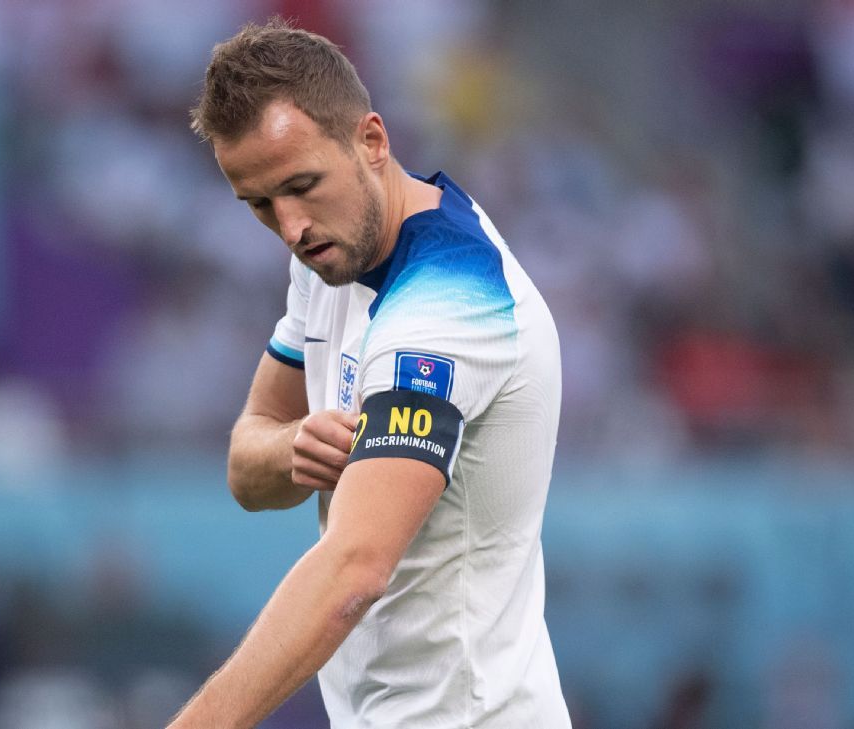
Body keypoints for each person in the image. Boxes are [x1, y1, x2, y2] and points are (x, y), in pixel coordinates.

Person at [170, 18, 570, 728]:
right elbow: (246, 462)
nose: (290, 226)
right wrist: (293, 445)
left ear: (373, 141)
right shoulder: (325, 254)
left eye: (301, 185)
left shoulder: (448, 309)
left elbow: (353, 570)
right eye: (260, 204)